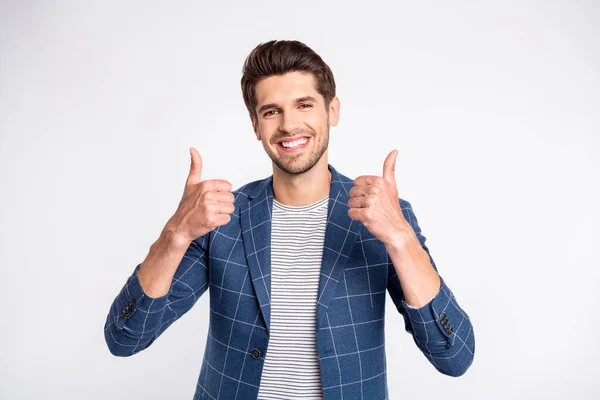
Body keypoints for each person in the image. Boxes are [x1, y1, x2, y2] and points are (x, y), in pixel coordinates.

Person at [104, 39, 475, 400]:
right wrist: (175, 234)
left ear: (332, 111)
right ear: (255, 125)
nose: (287, 124)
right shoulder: (221, 218)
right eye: (271, 111)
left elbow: (454, 356)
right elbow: (124, 338)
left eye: (304, 105)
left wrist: (401, 239)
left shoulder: (382, 216)